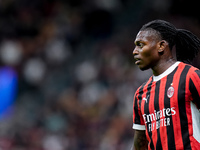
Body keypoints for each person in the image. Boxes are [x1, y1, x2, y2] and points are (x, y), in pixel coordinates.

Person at [132, 19, 200, 150]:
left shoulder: (190, 76)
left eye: (140, 45)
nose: (135, 51)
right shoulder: (141, 94)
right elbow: (139, 146)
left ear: (161, 46)